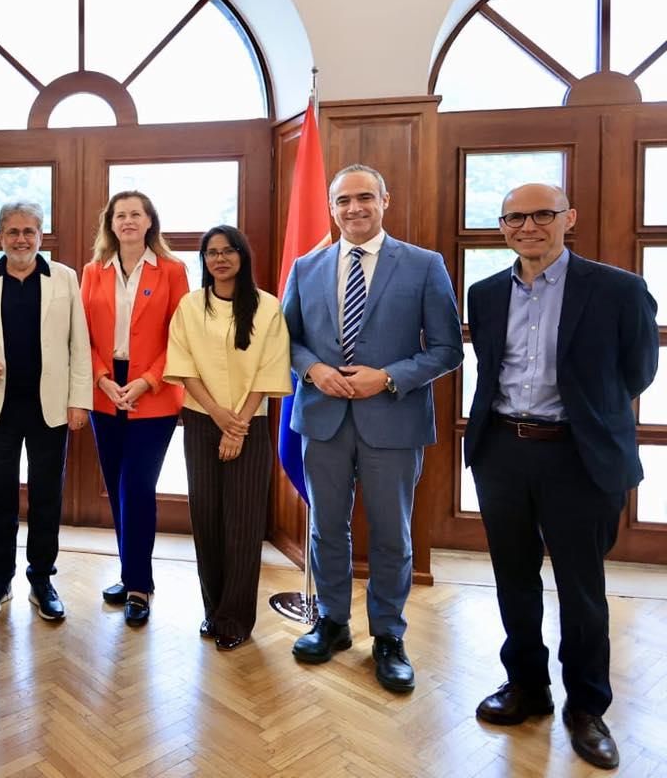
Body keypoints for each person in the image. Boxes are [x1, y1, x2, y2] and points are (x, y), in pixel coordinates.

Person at [464, 183, 656, 770]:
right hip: (502, 450)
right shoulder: (485, 293)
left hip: (577, 456)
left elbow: (638, 372)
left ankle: (587, 708)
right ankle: (527, 686)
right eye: (515, 217)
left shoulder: (618, 290)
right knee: (513, 579)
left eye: (542, 214)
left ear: (567, 217)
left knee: (581, 588)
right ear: (502, 226)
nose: (529, 226)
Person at [281, 163, 462, 692]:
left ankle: (388, 635)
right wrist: (312, 369)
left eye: (365, 198)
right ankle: (333, 622)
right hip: (322, 418)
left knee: (391, 535)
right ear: (331, 208)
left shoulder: (424, 265)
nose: (354, 208)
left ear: (386, 200)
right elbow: (287, 340)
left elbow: (448, 349)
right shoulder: (305, 267)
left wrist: (387, 378)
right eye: (343, 201)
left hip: (394, 420)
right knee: (325, 528)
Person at [0, 201, 91, 621]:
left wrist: (79, 401)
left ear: (40, 235)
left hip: (49, 409)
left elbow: (79, 344)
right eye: (13, 232)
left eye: (29, 231)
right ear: (1, 236)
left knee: (46, 498)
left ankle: (41, 579)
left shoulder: (64, 278)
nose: (21, 239)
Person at [163, 225, 292, 650]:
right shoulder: (189, 305)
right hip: (202, 421)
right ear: (204, 260)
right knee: (207, 518)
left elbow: (270, 371)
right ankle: (212, 610)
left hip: (249, 423)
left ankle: (237, 618)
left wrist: (238, 424)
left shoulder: (268, 307)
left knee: (242, 523)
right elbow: (182, 367)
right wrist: (219, 416)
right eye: (211, 253)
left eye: (228, 251)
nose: (220, 259)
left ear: (242, 256)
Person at [79, 190, 190, 626]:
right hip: (104, 390)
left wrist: (146, 381)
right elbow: (81, 334)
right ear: (110, 223)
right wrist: (103, 378)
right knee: (116, 484)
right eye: (119, 214)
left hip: (155, 393)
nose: (127, 221)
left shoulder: (173, 271)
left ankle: (139, 585)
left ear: (149, 222)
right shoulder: (92, 272)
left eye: (135, 214)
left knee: (138, 486)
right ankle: (130, 576)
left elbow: (179, 337)